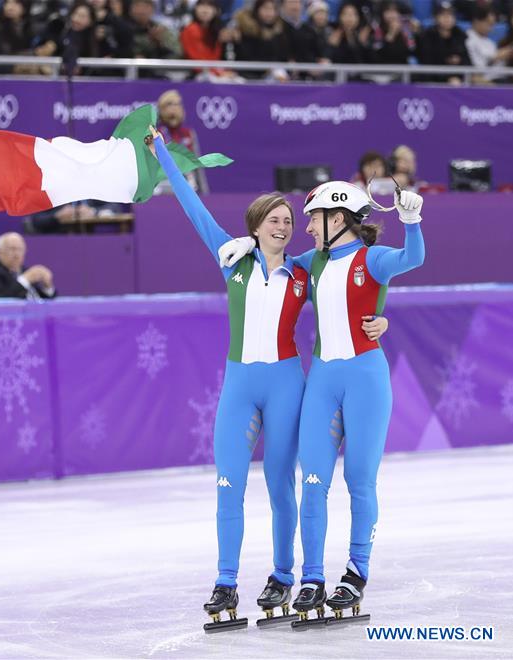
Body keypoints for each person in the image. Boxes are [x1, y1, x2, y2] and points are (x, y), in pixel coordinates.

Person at [148, 127, 389, 629]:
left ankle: (286, 575)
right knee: (228, 484)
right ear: (256, 226)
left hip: (287, 385)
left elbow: (356, 279)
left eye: (289, 220)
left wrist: (382, 320)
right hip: (239, 387)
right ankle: (225, 581)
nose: (284, 226)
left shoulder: (305, 269)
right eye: (275, 220)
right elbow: (193, 207)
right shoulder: (231, 260)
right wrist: (164, 156)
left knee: (283, 485)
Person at [218, 180, 424, 624]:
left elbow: (414, 259)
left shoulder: (373, 259)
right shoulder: (311, 263)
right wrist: (245, 241)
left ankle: (355, 572)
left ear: (337, 219)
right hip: (323, 382)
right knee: (313, 480)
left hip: (365, 379)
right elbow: (273, 262)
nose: (306, 227)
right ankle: (312, 577)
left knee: (359, 479)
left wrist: (412, 221)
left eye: (313, 218)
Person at [155, 90, 209, 194]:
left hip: (187, 187)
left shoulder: (188, 134)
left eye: (177, 104)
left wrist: (204, 194)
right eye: (169, 104)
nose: (174, 108)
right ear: (161, 109)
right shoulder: (155, 134)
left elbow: (197, 168)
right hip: (162, 187)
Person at [0, 232, 56, 300]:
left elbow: (41, 299)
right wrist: (24, 280)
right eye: (12, 249)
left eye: (20, 249)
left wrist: (47, 287)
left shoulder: (24, 271)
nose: (17, 254)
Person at [416, 0, 471, 84]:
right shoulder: (427, 36)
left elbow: (467, 61)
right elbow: (427, 63)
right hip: (432, 81)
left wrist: (459, 61)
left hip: (458, 80)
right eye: (443, 15)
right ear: (435, 17)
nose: (447, 18)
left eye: (450, 14)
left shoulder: (459, 35)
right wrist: (447, 77)